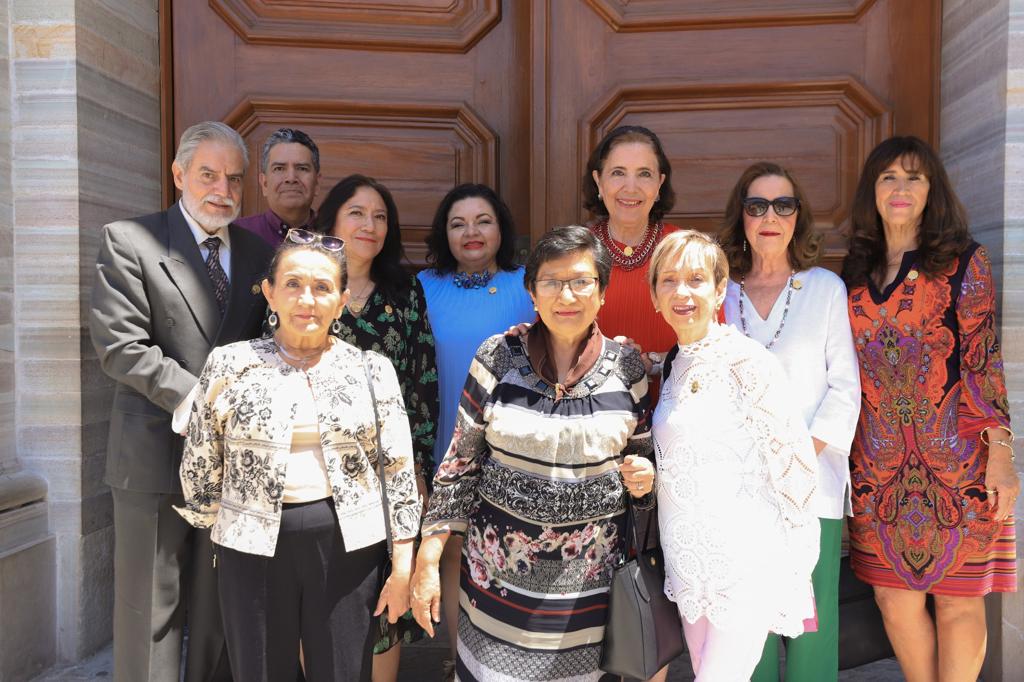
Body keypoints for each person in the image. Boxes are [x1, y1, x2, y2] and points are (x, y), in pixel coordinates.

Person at [411, 226, 656, 682]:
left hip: (588, 600)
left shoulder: (627, 368)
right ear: (532, 292)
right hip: (496, 594)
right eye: (552, 281)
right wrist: (428, 558)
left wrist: (645, 480)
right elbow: (460, 465)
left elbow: (643, 468)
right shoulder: (497, 358)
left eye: (581, 281)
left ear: (602, 292)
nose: (567, 294)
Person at [176, 232, 419, 681]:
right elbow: (200, 461)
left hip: (349, 545)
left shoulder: (370, 369)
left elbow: (399, 471)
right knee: (261, 671)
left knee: (342, 671)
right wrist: (220, 528)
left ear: (342, 300)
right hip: (249, 543)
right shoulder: (231, 363)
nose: (306, 298)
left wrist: (403, 565)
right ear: (269, 292)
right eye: (292, 284)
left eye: (323, 287)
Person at [89, 121, 274, 682]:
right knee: (151, 612)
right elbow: (120, 347)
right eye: (208, 175)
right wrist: (202, 401)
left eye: (234, 179)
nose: (223, 190)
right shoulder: (130, 240)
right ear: (178, 175)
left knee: (220, 611)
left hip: (235, 462)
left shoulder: (261, 253)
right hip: (154, 459)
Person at [841, 136, 1018, 682]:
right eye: (888, 177)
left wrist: (1002, 455)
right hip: (877, 466)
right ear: (872, 190)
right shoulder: (854, 269)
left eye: (913, 177)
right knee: (894, 599)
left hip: (958, 460)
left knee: (957, 600)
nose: (900, 188)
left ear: (931, 190)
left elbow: (984, 360)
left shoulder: (964, 261)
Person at [650, 230, 820, 681]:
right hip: (687, 564)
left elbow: (796, 466)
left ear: (720, 289)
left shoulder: (748, 363)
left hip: (744, 564)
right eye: (668, 280)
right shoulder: (672, 364)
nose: (682, 292)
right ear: (654, 296)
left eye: (696, 279)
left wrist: (795, 566)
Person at [718, 162, 861, 682]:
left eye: (783, 205)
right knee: (745, 625)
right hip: (737, 487)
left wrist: (798, 457)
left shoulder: (824, 288)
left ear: (799, 217)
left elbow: (845, 387)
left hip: (810, 480)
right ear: (743, 217)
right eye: (757, 206)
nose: (770, 216)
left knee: (810, 622)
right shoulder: (721, 293)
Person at [314, 174, 439, 682]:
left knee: (388, 592)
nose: (370, 225)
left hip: (389, 469)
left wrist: (421, 470)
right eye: (357, 213)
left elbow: (423, 383)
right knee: (320, 595)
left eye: (380, 216)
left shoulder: (404, 291)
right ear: (332, 222)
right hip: (315, 470)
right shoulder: (306, 283)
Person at [416, 183, 535, 677]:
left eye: (482, 221)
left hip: (513, 443)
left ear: (500, 228)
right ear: (445, 232)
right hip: (445, 437)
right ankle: (456, 659)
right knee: (453, 549)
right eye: (458, 223)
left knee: (511, 549)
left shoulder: (527, 282)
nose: (471, 232)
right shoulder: (422, 285)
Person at [583, 124, 681, 371]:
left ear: (659, 183)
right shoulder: (574, 253)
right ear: (598, 181)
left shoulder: (685, 250)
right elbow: (551, 339)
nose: (631, 187)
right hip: (590, 404)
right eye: (618, 172)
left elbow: (713, 343)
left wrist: (654, 363)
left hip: (675, 400)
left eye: (644, 174)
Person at [236, 127, 321, 247]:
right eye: (279, 168)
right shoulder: (235, 235)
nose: (291, 178)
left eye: (302, 168)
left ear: (317, 183)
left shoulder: (335, 237)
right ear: (264, 183)